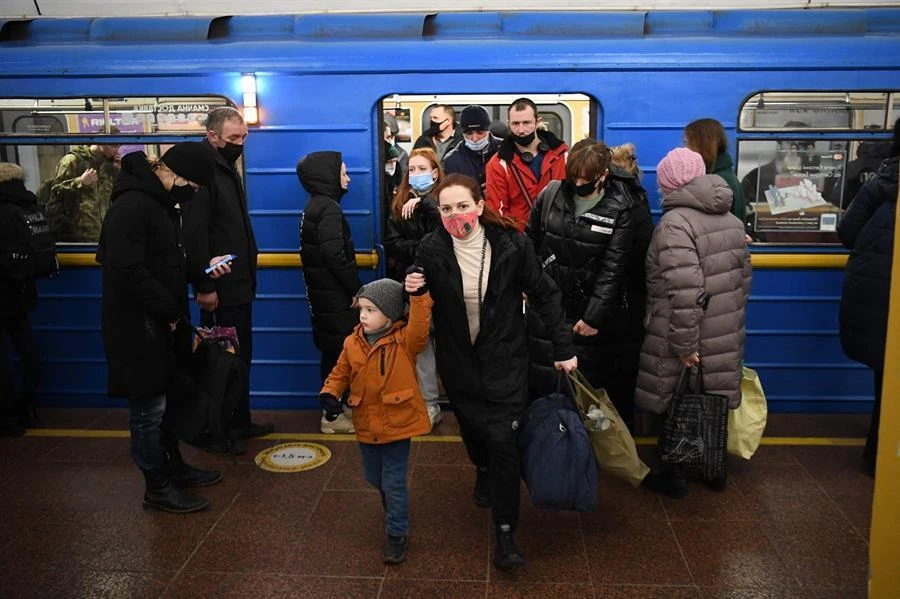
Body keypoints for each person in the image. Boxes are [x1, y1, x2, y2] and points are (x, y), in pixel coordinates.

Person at [415, 173, 577, 570]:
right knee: (475, 433)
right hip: (459, 364)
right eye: (447, 209)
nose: (456, 215)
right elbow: (418, 294)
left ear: (480, 205)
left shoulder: (511, 246)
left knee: (504, 441)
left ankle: (505, 530)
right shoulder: (431, 248)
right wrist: (413, 287)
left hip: (506, 360)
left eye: (463, 206)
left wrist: (563, 347)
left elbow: (545, 294)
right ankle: (481, 467)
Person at [96, 142, 228, 513]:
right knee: (148, 411)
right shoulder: (133, 207)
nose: (195, 194)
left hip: (160, 323)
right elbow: (126, 272)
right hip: (137, 328)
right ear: (179, 174)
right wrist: (170, 309)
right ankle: (156, 485)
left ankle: (174, 468)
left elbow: (166, 262)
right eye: (195, 186)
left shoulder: (158, 203)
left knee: (166, 401)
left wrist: (203, 268)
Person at [635, 148, 751, 498]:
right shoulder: (731, 220)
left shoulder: (675, 224)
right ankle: (713, 468)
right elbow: (744, 278)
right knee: (710, 400)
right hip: (724, 326)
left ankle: (675, 473)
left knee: (678, 401)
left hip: (685, 330)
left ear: (669, 184)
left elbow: (684, 292)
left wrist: (685, 347)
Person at [526, 141, 653, 431]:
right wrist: (529, 284)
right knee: (546, 377)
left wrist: (593, 316)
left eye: (587, 179)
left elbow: (614, 266)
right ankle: (550, 441)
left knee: (589, 386)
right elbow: (529, 242)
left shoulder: (622, 206)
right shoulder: (552, 194)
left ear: (603, 175)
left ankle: (587, 446)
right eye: (575, 178)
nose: (579, 184)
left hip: (589, 314)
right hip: (548, 305)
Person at [319, 276, 433, 564]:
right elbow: (340, 373)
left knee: (393, 481)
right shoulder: (351, 343)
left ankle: (397, 533)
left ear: (390, 314)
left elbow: (420, 324)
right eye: (361, 309)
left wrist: (418, 295)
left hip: (397, 425)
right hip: (366, 423)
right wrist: (330, 392)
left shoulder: (406, 341)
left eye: (371, 310)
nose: (363, 316)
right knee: (375, 477)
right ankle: (395, 508)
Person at [182, 107, 272, 441]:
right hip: (220, 288)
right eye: (234, 138)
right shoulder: (204, 173)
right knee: (221, 361)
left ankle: (238, 420)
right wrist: (204, 284)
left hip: (238, 285)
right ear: (213, 137)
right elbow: (196, 233)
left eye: (244, 137)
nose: (241, 144)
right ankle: (218, 429)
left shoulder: (225, 169)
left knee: (238, 358)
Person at [837, 118, 899, 478]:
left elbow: (847, 232)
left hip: (877, 297)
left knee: (886, 380)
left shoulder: (881, 182)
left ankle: (877, 454)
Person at [297, 150, 360, 434]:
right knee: (338, 356)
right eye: (343, 173)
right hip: (334, 299)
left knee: (332, 353)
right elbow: (336, 256)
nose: (347, 179)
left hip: (322, 298)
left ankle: (335, 406)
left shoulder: (314, 206)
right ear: (327, 178)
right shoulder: (329, 209)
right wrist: (355, 288)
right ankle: (332, 415)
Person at [383, 147, 443, 426]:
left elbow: (449, 239)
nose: (416, 174)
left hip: (446, 285)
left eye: (422, 169)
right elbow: (394, 244)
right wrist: (423, 250)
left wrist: (427, 206)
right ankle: (429, 401)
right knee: (422, 346)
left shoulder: (445, 199)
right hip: (415, 285)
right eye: (413, 169)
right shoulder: (399, 204)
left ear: (435, 172)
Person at [0, 163, 43, 436]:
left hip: (2, 289)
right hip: (24, 289)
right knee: (26, 349)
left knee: (2, 358)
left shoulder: (3, 210)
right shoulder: (29, 206)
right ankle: (29, 405)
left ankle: (5, 417)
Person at [485, 98, 568, 232]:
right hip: (519, 239)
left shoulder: (562, 156)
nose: (521, 130)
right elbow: (497, 213)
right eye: (515, 124)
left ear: (538, 122)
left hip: (558, 237)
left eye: (526, 123)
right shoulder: (498, 164)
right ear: (509, 124)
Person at [46, 134, 121, 242]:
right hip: (79, 236)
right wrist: (80, 182)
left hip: (105, 236)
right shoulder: (73, 160)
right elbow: (55, 191)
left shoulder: (108, 166)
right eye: (113, 146)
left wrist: (118, 171)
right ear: (100, 141)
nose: (116, 151)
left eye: (118, 147)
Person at [684, 118, 746, 224]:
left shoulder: (718, 181)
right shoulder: (724, 174)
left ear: (702, 144)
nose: (685, 149)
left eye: (688, 143)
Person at [443, 105, 502, 190]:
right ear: (462, 134)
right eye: (469, 133)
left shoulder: (506, 150)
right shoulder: (451, 161)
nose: (475, 139)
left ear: (488, 130)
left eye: (480, 132)